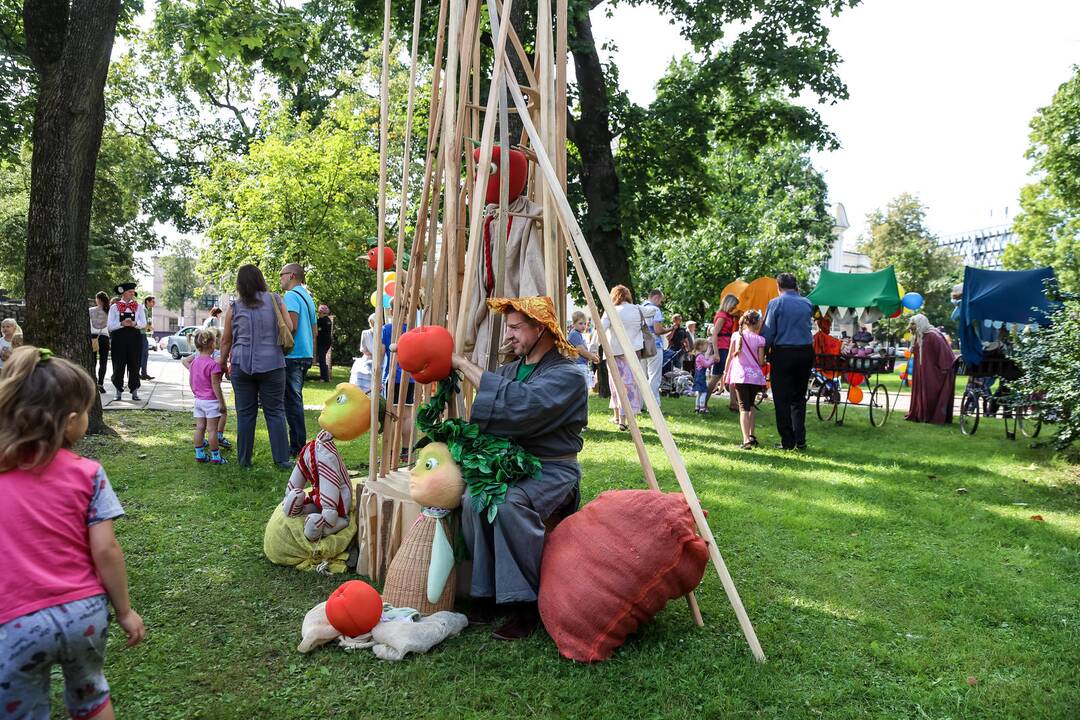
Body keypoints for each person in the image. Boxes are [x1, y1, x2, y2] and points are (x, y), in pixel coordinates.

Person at [0, 346, 145, 720]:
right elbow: (107, 550)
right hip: (84, 616)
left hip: (14, 621)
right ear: (69, 422)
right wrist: (124, 610)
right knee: (91, 697)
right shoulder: (88, 473)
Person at [450, 296, 588, 640]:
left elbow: (523, 407)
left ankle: (526, 603)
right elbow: (492, 417)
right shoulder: (510, 370)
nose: (509, 335)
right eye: (508, 327)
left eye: (515, 328)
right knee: (474, 499)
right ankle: (485, 593)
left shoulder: (568, 375)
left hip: (553, 470)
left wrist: (464, 365)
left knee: (509, 502)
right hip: (508, 465)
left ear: (540, 329)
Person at [218, 264, 291, 469]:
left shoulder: (235, 308)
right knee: (275, 411)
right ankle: (282, 460)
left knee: (245, 414)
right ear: (261, 280)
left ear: (240, 284)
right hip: (273, 364)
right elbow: (290, 327)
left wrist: (222, 362)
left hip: (242, 365)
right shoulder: (276, 300)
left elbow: (226, 340)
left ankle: (244, 461)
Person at [762, 273, 814, 451]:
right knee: (799, 397)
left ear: (778, 286)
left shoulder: (776, 303)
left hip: (783, 353)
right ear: (796, 286)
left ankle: (788, 441)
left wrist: (762, 349)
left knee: (782, 398)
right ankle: (800, 440)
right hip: (805, 352)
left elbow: (768, 333)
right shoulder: (807, 303)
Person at [280, 263, 317, 457]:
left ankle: (297, 447)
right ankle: (299, 445)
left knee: (292, 403)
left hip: (293, 355)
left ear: (292, 275)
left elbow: (291, 326)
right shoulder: (307, 297)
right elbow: (314, 330)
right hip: (306, 354)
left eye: (282, 275)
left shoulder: (291, 296)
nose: (280, 278)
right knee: (295, 400)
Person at [600, 285, 644, 430]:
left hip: (615, 353)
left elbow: (601, 328)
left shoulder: (611, 311)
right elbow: (653, 311)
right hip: (633, 352)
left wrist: (593, 348)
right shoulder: (637, 309)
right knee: (630, 386)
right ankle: (625, 418)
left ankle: (621, 418)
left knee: (616, 385)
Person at [181, 329, 228, 464]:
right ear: (213, 344)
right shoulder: (213, 364)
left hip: (199, 400)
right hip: (211, 401)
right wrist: (222, 403)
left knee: (199, 428)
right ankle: (216, 457)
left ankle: (200, 454)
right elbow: (215, 385)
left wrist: (196, 393)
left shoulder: (194, 362)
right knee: (212, 430)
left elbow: (192, 381)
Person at [724, 310, 768, 449]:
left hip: (740, 376)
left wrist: (725, 372)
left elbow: (730, 356)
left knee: (743, 408)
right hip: (755, 377)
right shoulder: (760, 339)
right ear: (758, 323)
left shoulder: (736, 336)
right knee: (751, 405)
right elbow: (761, 361)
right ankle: (751, 435)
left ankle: (745, 440)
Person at [905, 314, 956, 425]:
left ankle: (929, 415)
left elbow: (945, 353)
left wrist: (944, 368)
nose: (911, 327)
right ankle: (920, 413)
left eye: (914, 324)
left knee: (930, 393)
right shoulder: (920, 336)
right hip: (922, 370)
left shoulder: (933, 335)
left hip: (933, 371)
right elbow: (916, 351)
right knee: (923, 392)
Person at [107, 282, 146, 402]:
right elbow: (109, 326)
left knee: (135, 364)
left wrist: (135, 324)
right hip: (119, 338)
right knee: (118, 364)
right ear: (123, 292)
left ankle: (134, 391)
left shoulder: (138, 307)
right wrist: (121, 324)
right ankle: (118, 391)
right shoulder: (114, 307)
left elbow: (144, 323)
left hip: (134, 338)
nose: (132, 293)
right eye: (130, 291)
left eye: (133, 291)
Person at [708, 294, 740, 410]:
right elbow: (714, 334)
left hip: (728, 347)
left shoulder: (728, 315)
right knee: (716, 376)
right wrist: (716, 353)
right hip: (722, 348)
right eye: (734, 305)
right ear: (729, 304)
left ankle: (733, 403)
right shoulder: (722, 316)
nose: (734, 308)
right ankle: (702, 402)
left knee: (732, 375)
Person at [640, 289, 671, 404]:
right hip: (654, 345)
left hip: (641, 344)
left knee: (642, 375)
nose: (660, 304)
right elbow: (657, 330)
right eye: (661, 301)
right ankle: (653, 404)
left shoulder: (640, 308)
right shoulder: (655, 310)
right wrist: (669, 329)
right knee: (654, 376)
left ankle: (640, 403)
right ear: (656, 298)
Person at [568, 310, 599, 388]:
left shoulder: (578, 334)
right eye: (580, 323)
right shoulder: (574, 334)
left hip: (581, 365)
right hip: (578, 366)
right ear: (574, 324)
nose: (583, 326)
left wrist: (592, 356)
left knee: (583, 389)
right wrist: (592, 357)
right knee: (581, 389)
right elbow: (581, 350)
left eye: (585, 323)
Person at [89, 292, 111, 393]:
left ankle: (93, 382)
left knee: (92, 361)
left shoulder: (90, 311)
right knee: (103, 362)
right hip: (104, 337)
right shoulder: (109, 311)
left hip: (93, 337)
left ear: (98, 299)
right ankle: (101, 384)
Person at [350, 313, 376, 391]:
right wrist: (371, 354)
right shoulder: (365, 333)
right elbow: (363, 348)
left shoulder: (382, 332)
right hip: (368, 358)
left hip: (380, 359)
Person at [691, 338, 715, 413]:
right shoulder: (700, 356)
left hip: (698, 377)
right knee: (704, 392)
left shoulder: (699, 355)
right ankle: (702, 408)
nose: (707, 347)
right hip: (700, 377)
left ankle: (697, 407)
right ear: (700, 346)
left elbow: (706, 362)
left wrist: (711, 361)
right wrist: (712, 359)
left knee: (699, 393)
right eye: (706, 346)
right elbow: (706, 364)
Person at [139, 295, 156, 381]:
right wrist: (150, 327)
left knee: (142, 354)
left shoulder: (144, 309)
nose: (154, 303)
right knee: (144, 354)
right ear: (147, 302)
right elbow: (143, 323)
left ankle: (141, 373)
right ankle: (143, 374)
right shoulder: (144, 310)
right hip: (141, 334)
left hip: (141, 334)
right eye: (152, 301)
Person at [316, 304, 333, 382]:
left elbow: (317, 330)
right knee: (323, 359)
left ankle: (323, 377)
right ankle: (326, 377)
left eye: (320, 313)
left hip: (322, 342)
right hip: (328, 342)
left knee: (322, 360)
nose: (319, 314)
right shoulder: (328, 320)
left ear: (323, 313)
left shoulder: (321, 320)